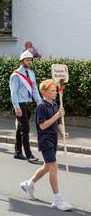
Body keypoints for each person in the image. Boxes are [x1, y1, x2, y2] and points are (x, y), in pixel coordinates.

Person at [20, 79, 72, 211]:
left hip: (54, 139)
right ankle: (57, 199)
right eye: (52, 90)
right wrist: (56, 115)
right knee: (54, 165)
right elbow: (42, 126)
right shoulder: (41, 106)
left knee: (47, 166)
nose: (55, 93)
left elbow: (58, 123)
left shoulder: (55, 105)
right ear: (44, 92)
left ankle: (29, 183)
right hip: (45, 140)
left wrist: (63, 133)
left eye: (56, 90)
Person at [10, 51, 42, 163]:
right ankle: (29, 155)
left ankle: (18, 152)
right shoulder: (15, 75)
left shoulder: (31, 73)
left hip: (28, 104)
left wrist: (40, 103)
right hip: (20, 104)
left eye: (30, 60)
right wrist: (16, 107)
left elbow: (34, 90)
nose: (29, 62)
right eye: (27, 60)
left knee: (20, 129)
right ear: (22, 61)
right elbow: (13, 93)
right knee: (26, 129)